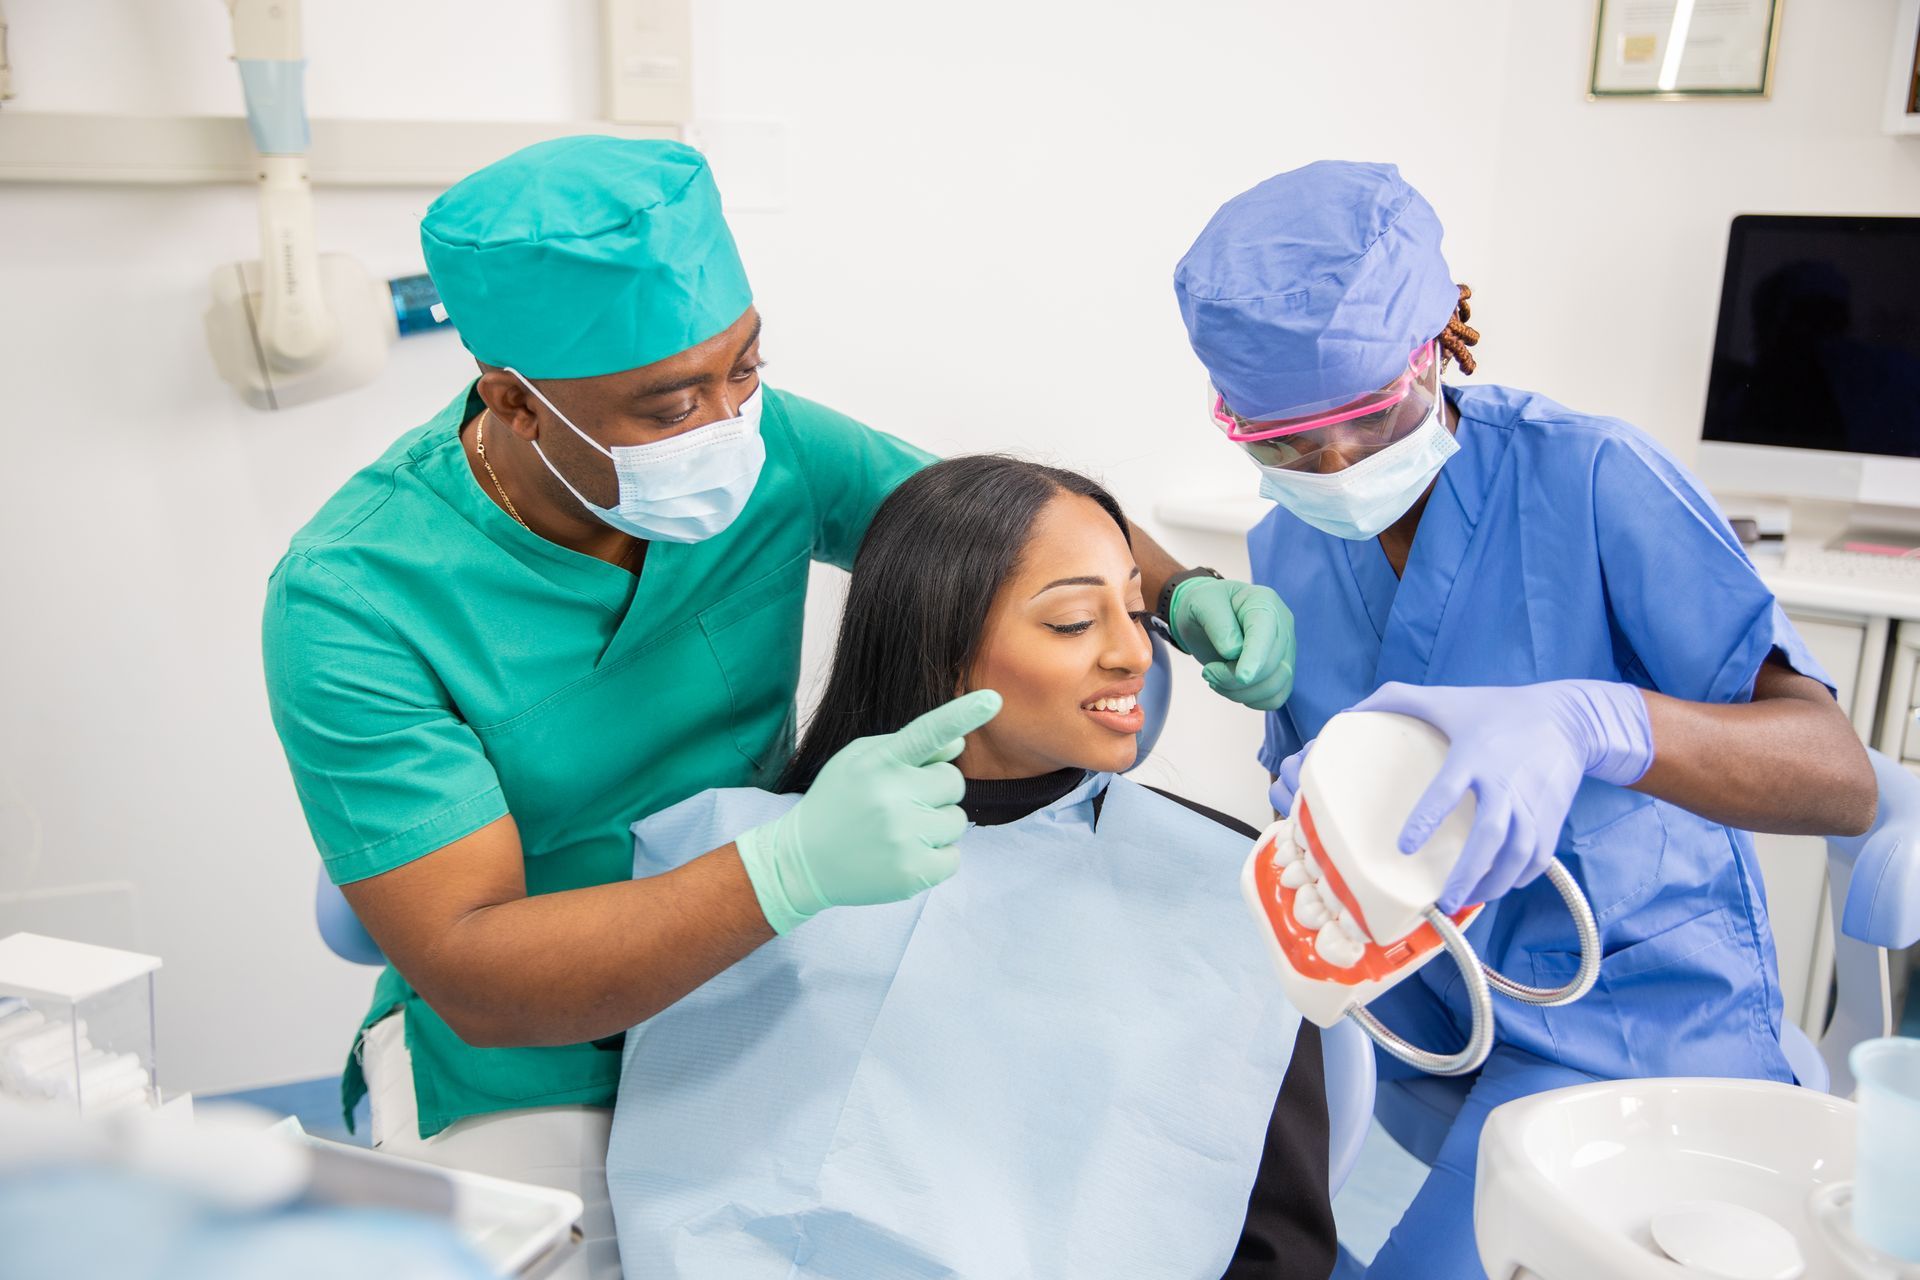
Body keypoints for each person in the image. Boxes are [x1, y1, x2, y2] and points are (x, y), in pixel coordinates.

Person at [260, 136, 1297, 1279]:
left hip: (771, 978)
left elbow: (997, 533)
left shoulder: (770, 447)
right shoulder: (355, 598)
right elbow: (475, 971)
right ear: (515, 402)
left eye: (744, 370)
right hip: (540, 1056)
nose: (725, 425)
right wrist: (788, 867)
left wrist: (1179, 587)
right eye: (667, 409)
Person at [1172, 161, 1878, 1279]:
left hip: (1631, 1025)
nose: (1335, 465)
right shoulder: (1287, 546)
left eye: (1366, 417)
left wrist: (1603, 720)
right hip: (1408, 1016)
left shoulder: (1591, 475)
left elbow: (1840, 776)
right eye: (1286, 442)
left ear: (1440, 342)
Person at [610, 456, 1336, 1279]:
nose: (1136, 653)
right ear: (942, 645)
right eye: (1073, 623)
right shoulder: (742, 861)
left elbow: (1280, 1246)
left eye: (1137, 610)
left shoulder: (1229, 883)